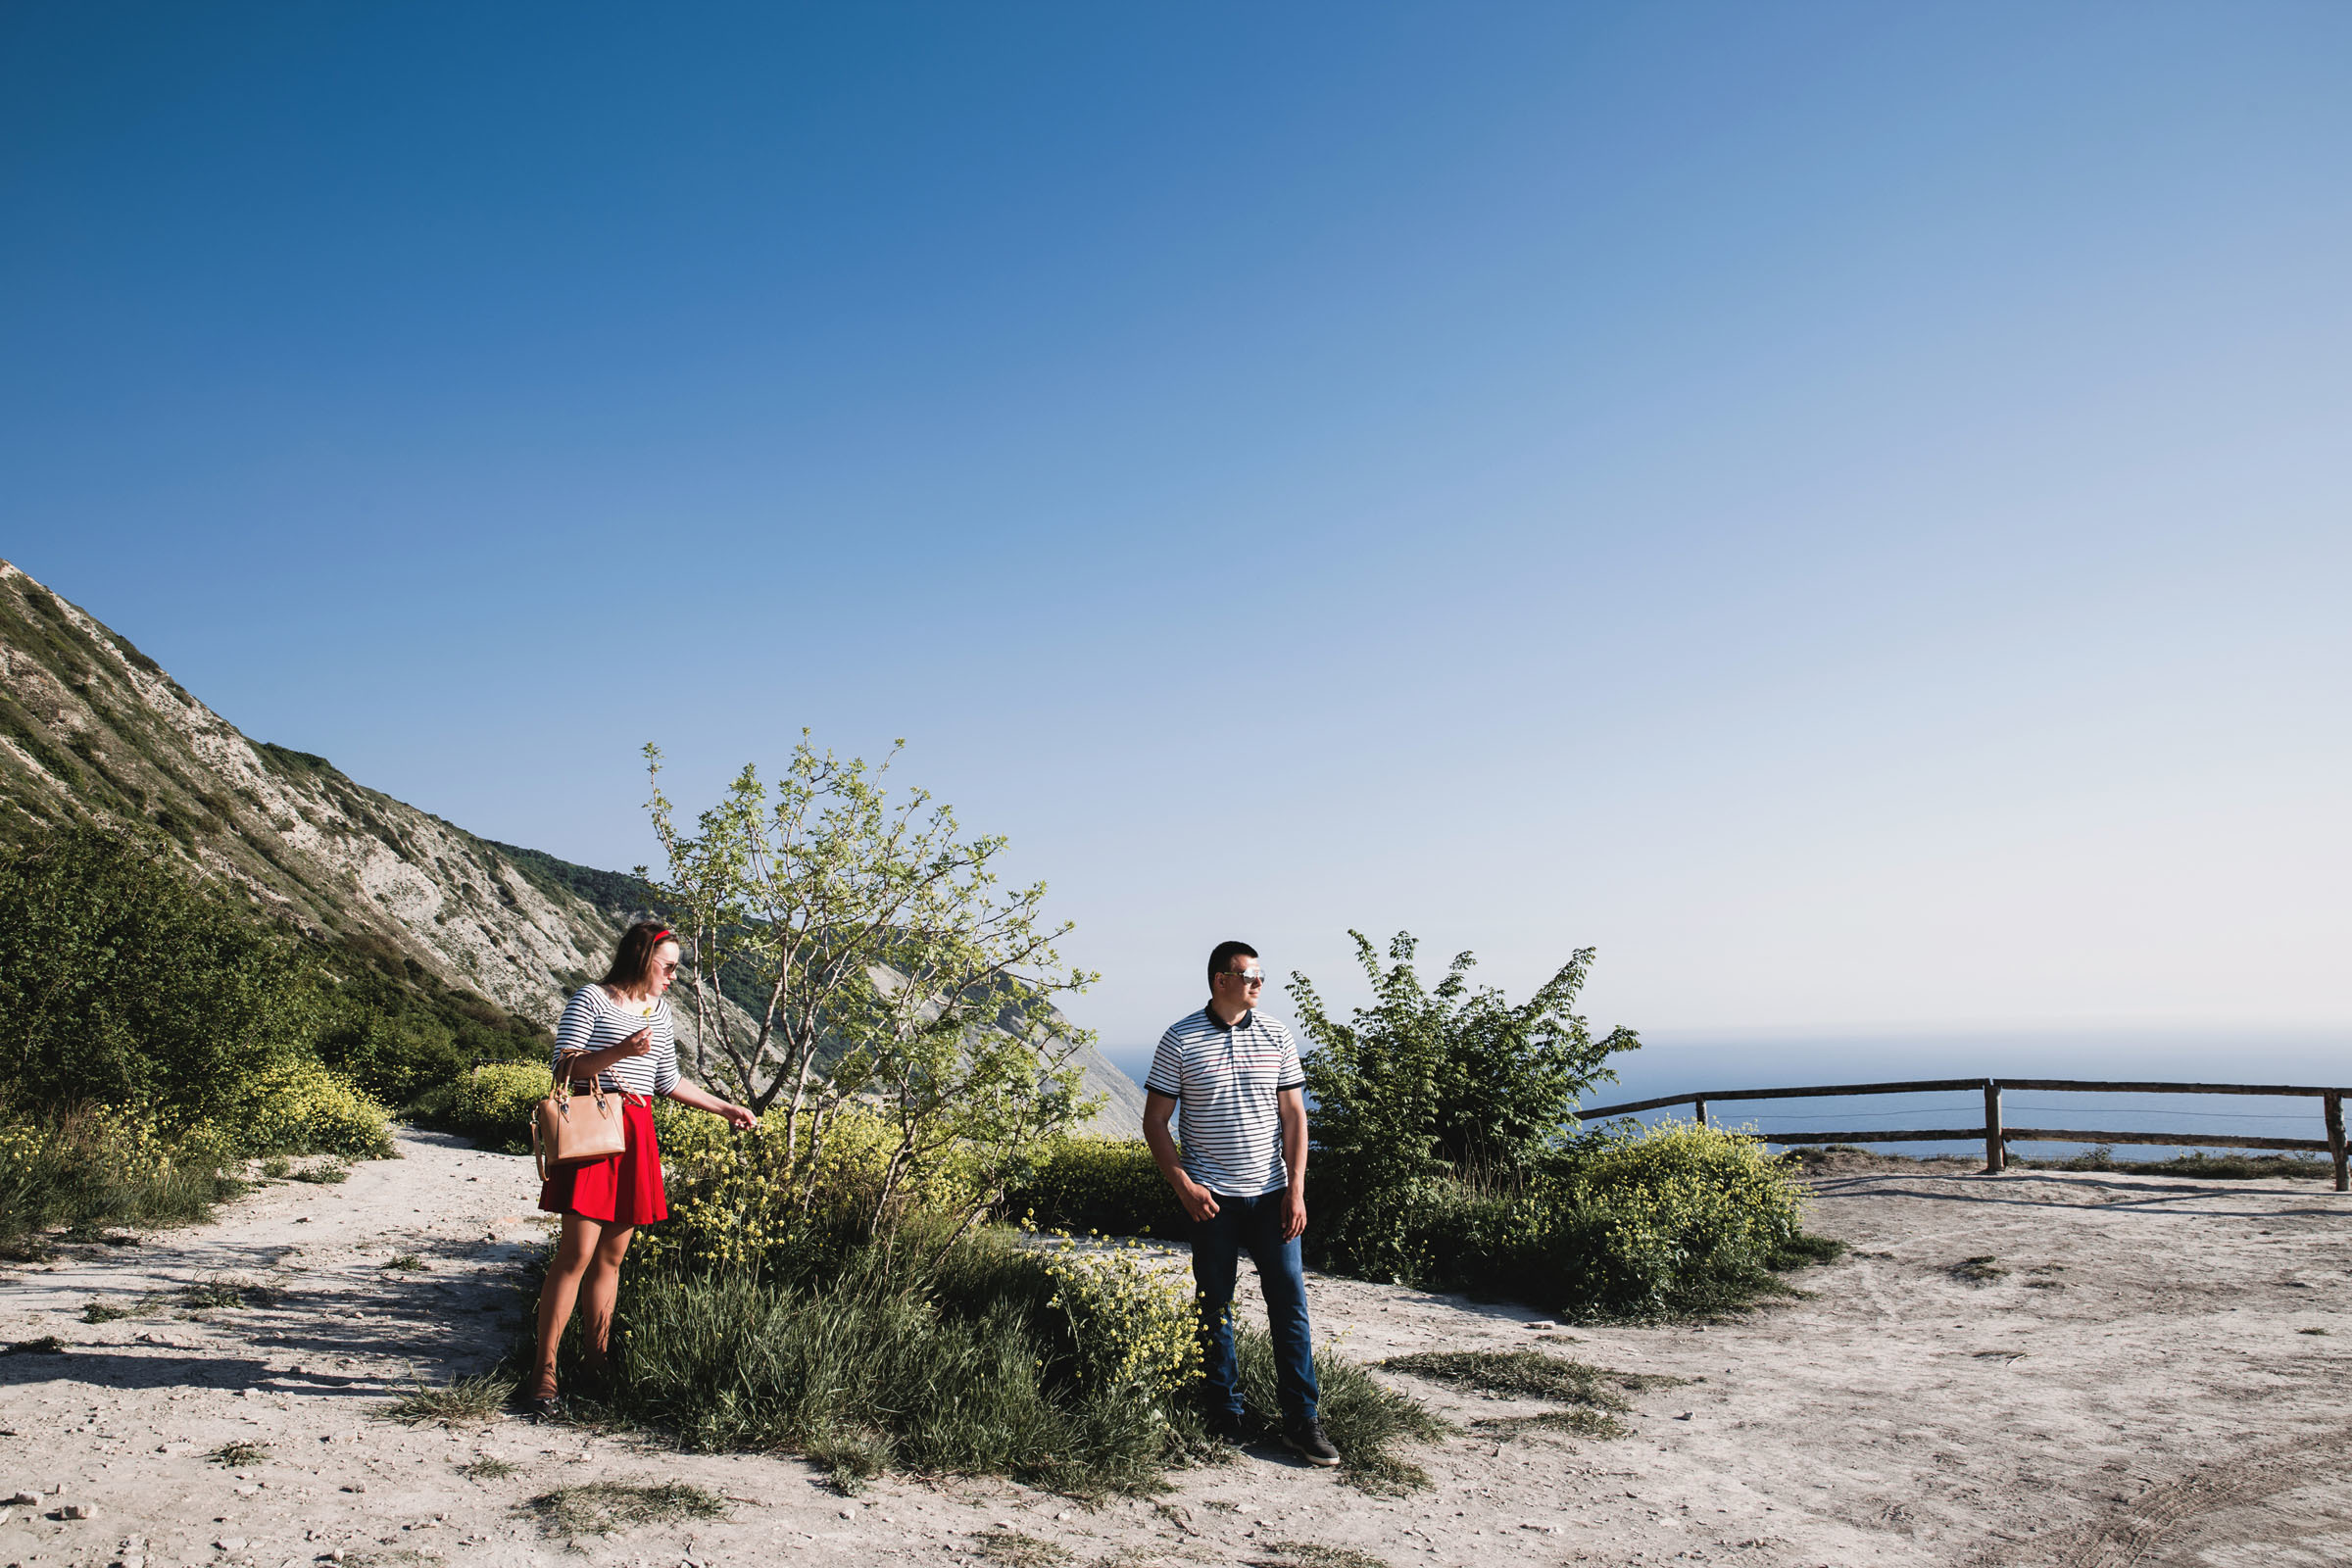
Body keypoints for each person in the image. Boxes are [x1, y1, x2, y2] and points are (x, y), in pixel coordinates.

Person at [527, 920, 755, 1417]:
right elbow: (562, 1066)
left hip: (636, 1133)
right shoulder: (591, 998)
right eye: (668, 966)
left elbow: (668, 1081)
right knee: (577, 1254)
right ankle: (544, 1378)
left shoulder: (660, 1011)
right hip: (595, 1128)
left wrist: (725, 1109)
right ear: (641, 958)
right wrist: (619, 1052)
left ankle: (596, 1368)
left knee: (611, 1258)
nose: (673, 975)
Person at [1142, 939, 1341, 1466]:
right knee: (1214, 1306)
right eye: (1248, 975)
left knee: (1291, 1309)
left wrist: (1296, 1189)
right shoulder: (1180, 1039)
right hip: (1213, 1200)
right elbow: (1155, 1122)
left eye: (1261, 975)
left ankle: (1303, 1420)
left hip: (1274, 1194)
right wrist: (1185, 1186)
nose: (1257, 983)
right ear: (1219, 980)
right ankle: (1224, 1413)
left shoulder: (1276, 1033)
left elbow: (1295, 1116)